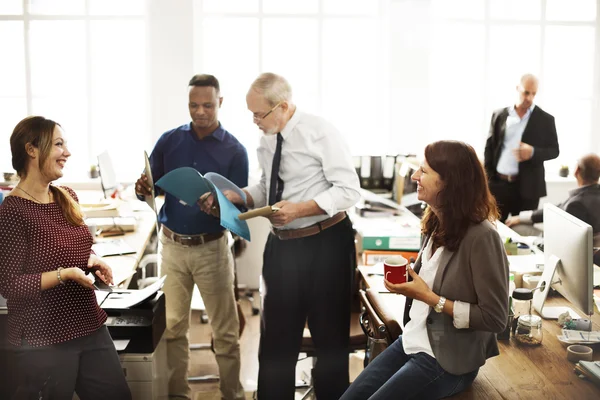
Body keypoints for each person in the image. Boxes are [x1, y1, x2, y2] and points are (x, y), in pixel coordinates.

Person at [211, 72, 360, 400]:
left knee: (330, 344)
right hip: (282, 248)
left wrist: (300, 209)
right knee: (275, 346)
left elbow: (349, 191)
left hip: (327, 244)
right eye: (250, 114)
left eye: (258, 114)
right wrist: (238, 196)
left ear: (283, 106)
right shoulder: (268, 136)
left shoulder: (319, 132)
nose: (254, 121)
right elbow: (268, 188)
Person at [341, 140, 509, 400]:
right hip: (412, 340)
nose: (414, 176)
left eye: (424, 171)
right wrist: (411, 283)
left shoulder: (483, 237)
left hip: (447, 360)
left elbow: (496, 318)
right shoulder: (435, 221)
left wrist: (430, 298)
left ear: (450, 182)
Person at [0, 116, 131, 399]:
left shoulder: (65, 195)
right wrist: (64, 275)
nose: (67, 153)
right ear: (31, 150)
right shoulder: (13, 212)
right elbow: (9, 286)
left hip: (89, 325)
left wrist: (91, 259)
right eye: (58, 144)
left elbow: (76, 246)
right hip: (43, 339)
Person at [135, 74, 248, 400]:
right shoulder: (170, 141)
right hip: (172, 246)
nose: (200, 111)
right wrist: (142, 188)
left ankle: (232, 395)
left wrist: (218, 207)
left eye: (207, 105)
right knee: (172, 330)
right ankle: (177, 395)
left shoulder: (235, 151)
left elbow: (238, 209)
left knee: (225, 333)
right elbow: (151, 189)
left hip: (211, 249)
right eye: (193, 105)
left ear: (220, 103)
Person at [484, 73, 559, 222]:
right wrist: (488, 179)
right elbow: (489, 148)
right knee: (494, 229)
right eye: (526, 92)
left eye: (533, 94)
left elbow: (554, 151)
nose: (529, 98)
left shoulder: (545, 120)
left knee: (523, 234)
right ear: (518, 88)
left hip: (528, 188)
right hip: (499, 185)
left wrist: (532, 152)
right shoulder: (499, 115)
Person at [505, 153, 600, 236]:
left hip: (556, 244)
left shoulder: (576, 204)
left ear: (576, 170)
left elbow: (556, 217)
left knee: (517, 228)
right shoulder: (585, 197)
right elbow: (556, 208)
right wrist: (521, 217)